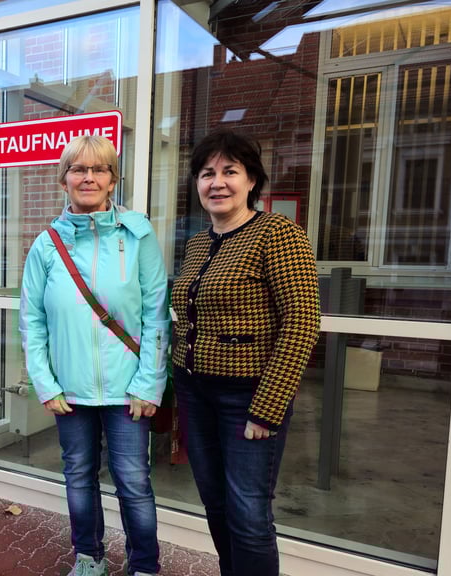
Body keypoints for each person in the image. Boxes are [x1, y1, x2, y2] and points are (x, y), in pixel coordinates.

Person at [171, 128, 320, 576]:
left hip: (248, 397)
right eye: (206, 173)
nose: (217, 182)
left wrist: (268, 407)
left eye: (229, 171)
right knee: (215, 502)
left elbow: (302, 322)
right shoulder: (198, 242)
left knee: (249, 511)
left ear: (251, 180)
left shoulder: (278, 233)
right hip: (195, 392)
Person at [19, 135, 169, 576]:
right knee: (79, 479)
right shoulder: (46, 245)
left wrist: (149, 383)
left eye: (98, 169)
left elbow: (157, 316)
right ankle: (89, 558)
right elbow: (32, 321)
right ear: (63, 179)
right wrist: (44, 384)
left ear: (112, 179)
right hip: (70, 392)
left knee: (134, 483)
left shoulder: (138, 236)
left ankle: (144, 566)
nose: (88, 177)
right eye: (78, 169)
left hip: (129, 391)